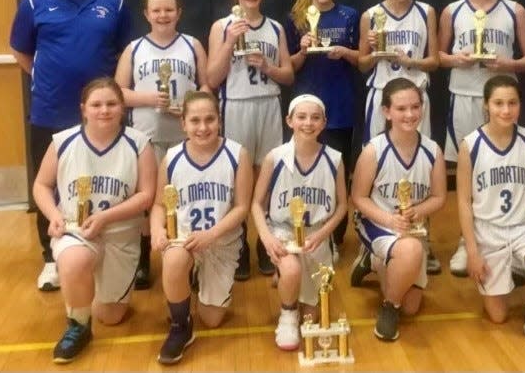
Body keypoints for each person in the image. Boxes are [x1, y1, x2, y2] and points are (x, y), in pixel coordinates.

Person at [10, 0, 132, 292]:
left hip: (103, 113)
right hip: (51, 109)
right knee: (49, 185)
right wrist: (45, 75)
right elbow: (19, 50)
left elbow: (126, 53)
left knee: (107, 181)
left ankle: (104, 249)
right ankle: (52, 258)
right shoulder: (34, 3)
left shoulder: (114, 3)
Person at [32, 78, 156, 363]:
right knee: (74, 260)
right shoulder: (62, 141)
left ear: (122, 108)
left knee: (111, 316)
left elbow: (147, 195)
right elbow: (41, 185)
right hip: (76, 228)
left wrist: (105, 217)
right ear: (83, 109)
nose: (104, 110)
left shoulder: (139, 143)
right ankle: (78, 325)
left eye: (111, 104)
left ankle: (91, 285)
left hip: (120, 231)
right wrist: (53, 215)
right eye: (96, 104)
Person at [439, 0, 525, 277]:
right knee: (469, 173)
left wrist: (508, 63)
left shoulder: (515, 10)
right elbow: (439, 56)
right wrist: (457, 59)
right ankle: (468, 243)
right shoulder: (453, 10)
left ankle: (512, 242)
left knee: (504, 167)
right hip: (464, 95)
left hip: (502, 101)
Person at [456, 75, 525, 358]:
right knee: (498, 317)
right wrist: (472, 251)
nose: (505, 110)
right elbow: (463, 202)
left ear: (520, 104)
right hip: (488, 231)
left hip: (523, 229)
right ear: (486, 105)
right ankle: (509, 268)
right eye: (498, 103)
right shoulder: (471, 145)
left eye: (512, 103)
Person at [115, 0, 210, 289]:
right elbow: (118, 93)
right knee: (149, 200)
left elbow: (207, 86)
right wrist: (149, 100)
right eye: (156, 10)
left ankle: (191, 258)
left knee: (187, 197)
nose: (163, 14)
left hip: (188, 137)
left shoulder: (192, 45)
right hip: (149, 135)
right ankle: (145, 261)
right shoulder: (135, 48)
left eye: (169, 9)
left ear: (179, 12)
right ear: (146, 14)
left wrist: (189, 106)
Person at [150, 91, 252, 364]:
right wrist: (158, 230)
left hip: (221, 241)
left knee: (212, 319)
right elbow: (159, 204)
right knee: (174, 259)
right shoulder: (171, 158)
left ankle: (191, 281)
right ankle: (181, 327)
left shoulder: (237, 154)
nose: (203, 127)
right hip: (184, 239)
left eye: (210, 119)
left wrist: (211, 234)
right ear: (183, 123)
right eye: (195, 120)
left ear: (219, 120)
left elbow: (242, 207)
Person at [206, 0, 294, 280]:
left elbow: (288, 74)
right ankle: (240, 247)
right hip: (236, 105)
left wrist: (269, 66)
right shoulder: (222, 26)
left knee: (267, 180)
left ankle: (265, 245)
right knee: (239, 181)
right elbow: (212, 77)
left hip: (269, 105)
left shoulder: (276, 28)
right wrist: (230, 42)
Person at [357, 0, 441, 274]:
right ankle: (372, 241)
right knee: (377, 169)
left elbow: (434, 61)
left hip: (415, 98)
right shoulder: (371, 15)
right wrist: (372, 50)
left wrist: (410, 62)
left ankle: (422, 240)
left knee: (420, 171)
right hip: (381, 95)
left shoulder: (426, 12)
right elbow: (363, 63)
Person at [350, 78, 447, 341]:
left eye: (415, 107)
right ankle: (388, 307)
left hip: (412, 226)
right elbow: (358, 198)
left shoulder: (432, 150)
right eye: (402, 108)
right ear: (386, 112)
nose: (410, 114)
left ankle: (371, 261)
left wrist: (419, 211)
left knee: (412, 306)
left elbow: (439, 197)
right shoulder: (374, 151)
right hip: (376, 221)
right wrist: (390, 220)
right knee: (410, 252)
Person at [251, 94, 348, 350]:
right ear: (289, 120)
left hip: (316, 235)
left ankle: (284, 279)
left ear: (324, 122)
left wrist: (324, 232)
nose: (308, 123)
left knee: (312, 319)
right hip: (282, 232)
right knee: (292, 271)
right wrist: (267, 237)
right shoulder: (274, 158)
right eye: (301, 117)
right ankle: (286, 314)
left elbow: (343, 206)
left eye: (315, 117)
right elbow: (256, 204)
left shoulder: (334, 159)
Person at [285, 0, 360, 257]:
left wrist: (344, 52)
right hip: (306, 103)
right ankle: (304, 229)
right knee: (306, 172)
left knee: (336, 170)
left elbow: (362, 59)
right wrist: (303, 50)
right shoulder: (295, 19)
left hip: (340, 101)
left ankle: (335, 237)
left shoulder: (350, 15)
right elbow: (288, 66)